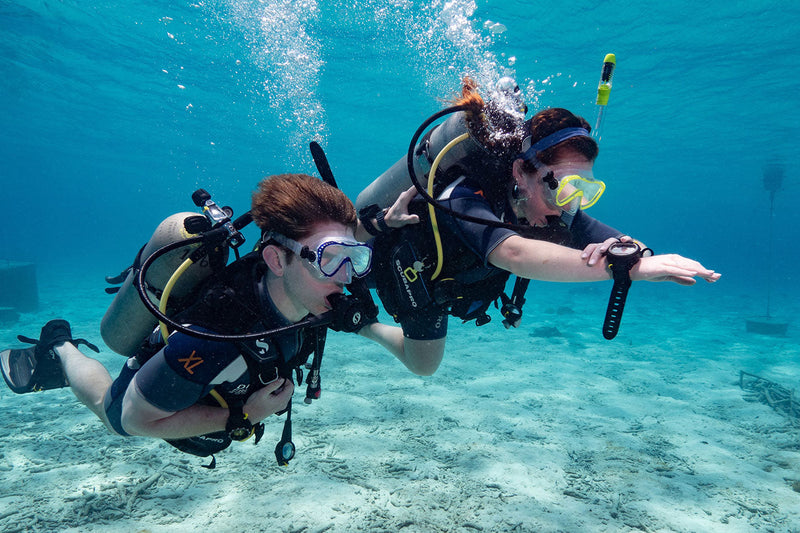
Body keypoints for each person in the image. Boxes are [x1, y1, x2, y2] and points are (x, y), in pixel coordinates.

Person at [1, 173, 374, 465]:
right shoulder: (214, 340)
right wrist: (244, 414)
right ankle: (60, 345)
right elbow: (135, 419)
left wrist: (385, 225)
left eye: (353, 258)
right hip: (163, 384)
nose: (345, 275)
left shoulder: (313, 294)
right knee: (111, 414)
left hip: (221, 383)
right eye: (329, 258)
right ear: (276, 260)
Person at [354, 80, 720, 376]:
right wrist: (618, 268)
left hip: (439, 284)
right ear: (520, 174)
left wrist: (635, 254)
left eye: (584, 189)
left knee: (423, 366)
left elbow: (617, 239)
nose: (569, 203)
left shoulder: (555, 208)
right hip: (386, 264)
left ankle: (361, 324)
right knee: (422, 362)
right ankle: (354, 313)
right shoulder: (460, 195)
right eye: (562, 185)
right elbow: (513, 253)